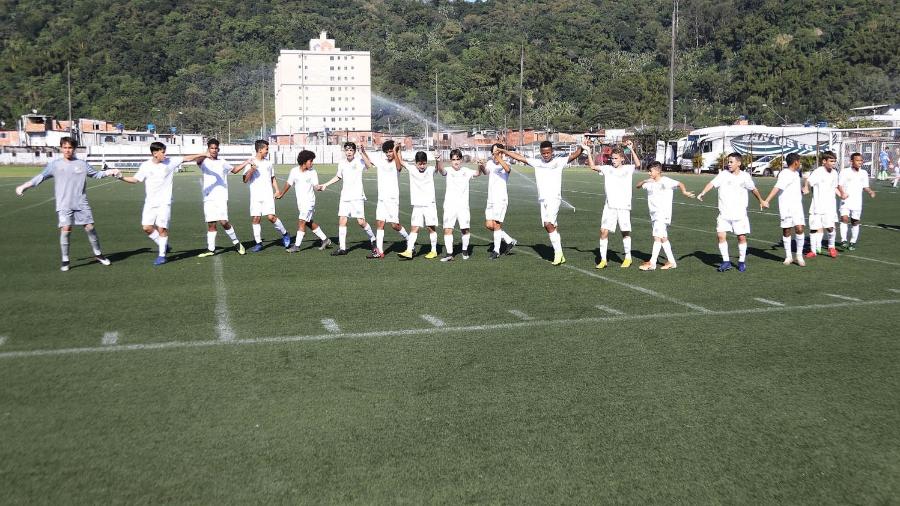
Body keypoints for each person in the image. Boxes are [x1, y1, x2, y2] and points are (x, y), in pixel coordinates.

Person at [15, 136, 119, 271]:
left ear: (74, 149)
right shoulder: (55, 165)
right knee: (66, 230)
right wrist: (23, 186)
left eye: (70, 147)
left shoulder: (82, 164)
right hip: (64, 204)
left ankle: (98, 254)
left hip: (81, 203)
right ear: (61, 148)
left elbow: (96, 174)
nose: (67, 150)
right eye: (65, 147)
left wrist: (110, 172)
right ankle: (65, 260)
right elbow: (40, 178)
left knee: (90, 228)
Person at [499, 141, 583, 265]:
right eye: (544, 153)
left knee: (548, 224)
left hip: (554, 198)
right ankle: (561, 255)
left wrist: (583, 147)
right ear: (540, 153)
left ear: (552, 152)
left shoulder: (558, 162)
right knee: (549, 226)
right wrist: (504, 151)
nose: (546, 155)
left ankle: (558, 254)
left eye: (548, 152)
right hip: (543, 199)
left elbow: (574, 155)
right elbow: (520, 157)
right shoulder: (537, 163)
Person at [697, 152, 767, 272]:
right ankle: (726, 262)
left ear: (738, 163)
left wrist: (761, 200)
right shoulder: (723, 175)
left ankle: (741, 262)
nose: (729, 164)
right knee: (720, 235)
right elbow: (712, 184)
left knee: (741, 237)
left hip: (739, 214)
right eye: (728, 162)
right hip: (724, 213)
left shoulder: (745, 176)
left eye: (731, 162)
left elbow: (753, 189)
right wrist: (703, 192)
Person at [118, 141, 185, 265]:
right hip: (150, 203)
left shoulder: (170, 162)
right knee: (147, 228)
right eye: (163, 152)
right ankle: (163, 245)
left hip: (165, 202)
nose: (165, 155)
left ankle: (162, 256)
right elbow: (135, 179)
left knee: (162, 228)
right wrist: (120, 177)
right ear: (155, 153)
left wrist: (204, 154)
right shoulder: (145, 166)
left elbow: (187, 158)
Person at [181, 139, 245, 257]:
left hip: (221, 196)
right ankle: (211, 249)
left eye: (216, 148)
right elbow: (197, 160)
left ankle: (236, 242)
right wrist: (204, 154)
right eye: (212, 148)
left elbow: (235, 170)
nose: (214, 150)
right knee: (211, 224)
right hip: (208, 197)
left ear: (218, 149)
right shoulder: (203, 161)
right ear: (208, 149)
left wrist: (246, 162)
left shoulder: (222, 162)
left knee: (224, 222)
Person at [585, 139, 641, 268]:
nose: (613, 160)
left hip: (623, 206)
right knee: (603, 231)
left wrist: (631, 148)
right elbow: (593, 166)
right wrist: (588, 151)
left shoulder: (628, 168)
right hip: (609, 206)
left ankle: (628, 258)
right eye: (612, 158)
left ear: (622, 159)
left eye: (615, 158)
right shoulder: (607, 169)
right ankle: (603, 260)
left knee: (625, 232)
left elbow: (638, 164)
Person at [316, 142, 377, 256]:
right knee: (342, 220)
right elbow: (338, 176)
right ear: (344, 151)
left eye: (351, 150)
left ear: (354, 151)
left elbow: (369, 166)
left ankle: (373, 239)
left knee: (361, 222)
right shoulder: (342, 163)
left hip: (357, 196)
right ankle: (342, 248)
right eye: (347, 150)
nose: (349, 152)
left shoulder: (359, 161)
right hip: (345, 197)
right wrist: (325, 184)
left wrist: (362, 152)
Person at [634, 160, 695, 270]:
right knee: (663, 238)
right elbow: (637, 186)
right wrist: (644, 180)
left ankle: (652, 264)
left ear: (658, 171)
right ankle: (672, 262)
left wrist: (684, 192)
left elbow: (680, 184)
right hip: (653, 214)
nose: (649, 173)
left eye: (650, 171)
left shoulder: (666, 181)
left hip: (662, 214)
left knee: (657, 237)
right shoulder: (650, 182)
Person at [232, 140, 291, 253]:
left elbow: (272, 178)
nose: (267, 151)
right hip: (255, 196)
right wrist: (252, 169)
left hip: (267, 195)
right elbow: (245, 180)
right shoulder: (251, 162)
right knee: (256, 219)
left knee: (271, 217)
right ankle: (258, 243)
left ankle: (285, 234)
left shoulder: (268, 163)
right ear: (260, 150)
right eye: (266, 149)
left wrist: (277, 190)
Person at [275, 150, 332, 253]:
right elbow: (289, 183)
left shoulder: (313, 172)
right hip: (300, 202)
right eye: (311, 161)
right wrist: (282, 194)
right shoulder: (294, 171)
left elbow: (315, 186)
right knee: (308, 222)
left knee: (301, 221)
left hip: (309, 202)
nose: (312, 163)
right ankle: (325, 240)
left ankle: (297, 246)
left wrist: (319, 188)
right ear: (304, 161)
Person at [360, 140, 409, 258]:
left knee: (394, 225)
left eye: (390, 151)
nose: (388, 154)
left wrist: (397, 150)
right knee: (380, 223)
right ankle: (379, 251)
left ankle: (409, 240)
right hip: (381, 199)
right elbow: (370, 160)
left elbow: (399, 167)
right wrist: (362, 151)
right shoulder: (381, 161)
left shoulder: (396, 162)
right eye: (386, 152)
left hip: (392, 198)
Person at [762, 153, 807, 266]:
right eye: (799, 161)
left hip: (797, 207)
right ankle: (788, 257)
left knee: (800, 228)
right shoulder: (784, 174)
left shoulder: (796, 173)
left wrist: (802, 190)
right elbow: (777, 188)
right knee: (787, 230)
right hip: (786, 207)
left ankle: (799, 256)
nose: (800, 163)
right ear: (795, 162)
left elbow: (793, 188)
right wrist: (767, 200)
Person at [439, 148, 479, 261]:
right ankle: (449, 254)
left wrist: (480, 165)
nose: (455, 162)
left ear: (461, 160)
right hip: (449, 206)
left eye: (457, 159)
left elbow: (477, 173)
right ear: (450, 161)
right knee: (447, 229)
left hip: (463, 206)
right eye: (453, 159)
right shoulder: (447, 170)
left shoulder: (466, 171)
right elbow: (441, 170)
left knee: (465, 229)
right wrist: (438, 160)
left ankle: (465, 251)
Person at [399, 151, 439, 259]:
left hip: (429, 203)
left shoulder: (430, 169)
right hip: (417, 204)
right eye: (419, 164)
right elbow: (401, 162)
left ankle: (434, 250)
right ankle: (408, 251)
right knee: (414, 227)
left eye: (424, 163)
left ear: (426, 162)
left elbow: (437, 168)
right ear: (415, 163)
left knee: (430, 227)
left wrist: (437, 160)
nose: (422, 166)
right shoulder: (411, 168)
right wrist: (397, 149)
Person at [803, 151, 842, 258]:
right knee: (814, 228)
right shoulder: (818, 172)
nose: (833, 163)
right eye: (831, 161)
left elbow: (834, 187)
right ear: (824, 161)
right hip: (817, 206)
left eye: (834, 161)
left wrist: (841, 195)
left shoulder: (834, 173)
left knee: (830, 227)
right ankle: (813, 251)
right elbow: (809, 181)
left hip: (829, 206)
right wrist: (806, 187)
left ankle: (831, 246)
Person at [481, 143, 517, 260]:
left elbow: (507, 169)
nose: (495, 155)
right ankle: (509, 240)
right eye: (493, 153)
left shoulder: (505, 164)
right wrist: (481, 165)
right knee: (488, 225)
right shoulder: (490, 163)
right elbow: (486, 172)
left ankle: (496, 250)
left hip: (500, 199)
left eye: (498, 152)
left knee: (496, 224)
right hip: (490, 199)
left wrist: (499, 157)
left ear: (501, 153)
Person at [838, 152, 876, 250]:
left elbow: (865, 186)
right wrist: (842, 193)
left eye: (861, 160)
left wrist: (870, 191)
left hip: (857, 201)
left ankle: (852, 242)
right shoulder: (845, 171)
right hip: (845, 200)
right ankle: (843, 240)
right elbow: (840, 185)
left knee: (855, 221)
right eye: (857, 160)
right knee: (844, 218)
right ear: (851, 161)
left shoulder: (863, 173)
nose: (860, 162)